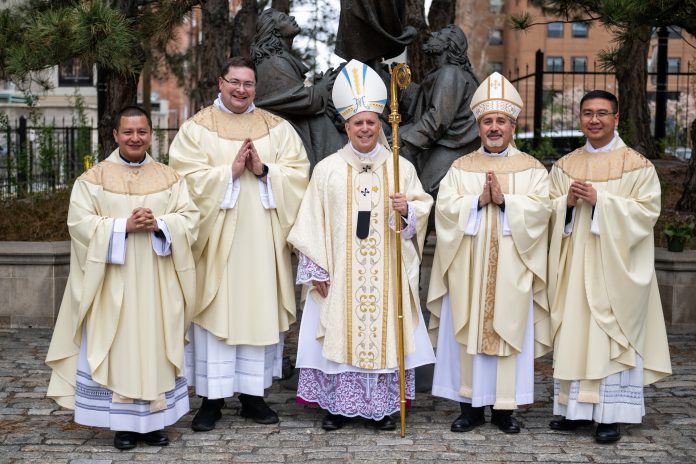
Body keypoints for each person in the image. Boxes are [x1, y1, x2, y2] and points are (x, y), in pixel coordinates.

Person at [287, 59, 435, 431]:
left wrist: (407, 212)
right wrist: (315, 269)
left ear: (380, 125)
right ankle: (338, 406)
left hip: (386, 272)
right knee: (338, 330)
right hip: (340, 273)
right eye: (358, 123)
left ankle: (384, 408)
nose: (365, 128)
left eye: (371, 121)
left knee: (386, 333)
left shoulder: (400, 167)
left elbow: (420, 207)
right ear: (347, 126)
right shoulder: (327, 170)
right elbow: (310, 221)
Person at [45, 106, 199, 450]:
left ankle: (154, 423)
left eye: (142, 132)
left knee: (155, 345)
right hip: (113, 282)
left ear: (151, 135)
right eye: (128, 132)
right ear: (115, 135)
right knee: (119, 346)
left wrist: (160, 223)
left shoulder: (171, 178)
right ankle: (124, 426)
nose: (135, 138)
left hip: (158, 282)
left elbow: (190, 219)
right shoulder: (93, 179)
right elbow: (79, 225)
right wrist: (121, 227)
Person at [168, 57, 309, 431]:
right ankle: (211, 400)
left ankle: (253, 397)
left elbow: (298, 175)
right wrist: (226, 174)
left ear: (255, 88)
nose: (241, 90)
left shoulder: (277, 129)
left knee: (257, 312)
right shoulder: (197, 129)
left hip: (262, 241)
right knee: (215, 313)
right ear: (220, 82)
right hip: (215, 244)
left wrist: (265, 171)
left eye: (248, 84)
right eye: (234, 82)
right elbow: (181, 180)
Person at [427, 72, 552, 434]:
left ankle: (503, 411)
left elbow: (542, 210)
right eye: (487, 121)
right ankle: (468, 408)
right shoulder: (460, 168)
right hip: (468, 271)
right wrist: (477, 201)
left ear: (513, 126)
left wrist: (507, 202)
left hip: (513, 271)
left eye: (501, 121)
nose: (494, 127)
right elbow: (444, 210)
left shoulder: (532, 170)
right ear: (479, 127)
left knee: (508, 331)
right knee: (466, 333)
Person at [547, 90, 672, 443]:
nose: (594, 120)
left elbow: (647, 213)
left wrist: (602, 200)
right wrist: (566, 204)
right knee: (574, 331)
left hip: (615, 270)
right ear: (581, 118)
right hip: (574, 268)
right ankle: (575, 410)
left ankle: (609, 415)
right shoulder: (565, 166)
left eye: (602, 113)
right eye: (587, 113)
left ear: (616, 118)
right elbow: (547, 212)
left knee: (608, 337)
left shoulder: (636, 165)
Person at [250, 8, 345, 168]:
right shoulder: (273, 61)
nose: (292, 17)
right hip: (289, 132)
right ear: (276, 31)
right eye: (283, 18)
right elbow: (296, 99)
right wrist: (322, 87)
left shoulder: (278, 59)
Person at [399, 24, 480, 198]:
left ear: (449, 44)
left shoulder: (450, 73)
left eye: (440, 33)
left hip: (457, 144)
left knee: (425, 190)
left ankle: (426, 224)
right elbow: (422, 100)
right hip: (443, 139)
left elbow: (437, 119)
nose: (434, 33)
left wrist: (404, 138)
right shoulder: (441, 72)